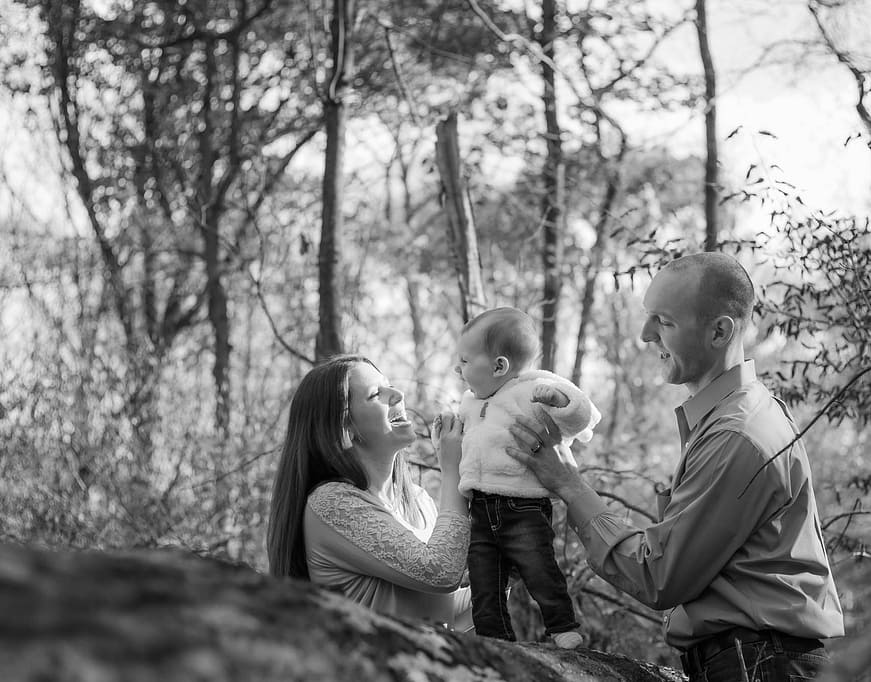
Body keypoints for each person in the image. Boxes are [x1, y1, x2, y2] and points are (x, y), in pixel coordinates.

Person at [507, 252, 845, 680]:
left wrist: (569, 485)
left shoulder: (735, 435)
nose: (645, 334)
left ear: (719, 331)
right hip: (757, 659)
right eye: (648, 317)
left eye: (664, 322)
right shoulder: (736, 417)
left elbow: (659, 575)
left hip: (762, 665)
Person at [266, 354, 473, 630]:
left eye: (389, 385)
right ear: (345, 429)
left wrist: (508, 567)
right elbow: (440, 572)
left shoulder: (419, 501)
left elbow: (442, 605)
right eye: (376, 394)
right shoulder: (332, 504)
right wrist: (453, 469)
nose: (398, 394)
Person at [452, 307, 600, 648]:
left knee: (539, 568)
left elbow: (582, 416)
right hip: (481, 508)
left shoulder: (532, 390)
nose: (457, 369)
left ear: (498, 366)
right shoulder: (470, 403)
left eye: (464, 361)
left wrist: (558, 400)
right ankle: (494, 640)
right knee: (484, 581)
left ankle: (562, 627)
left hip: (523, 506)